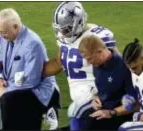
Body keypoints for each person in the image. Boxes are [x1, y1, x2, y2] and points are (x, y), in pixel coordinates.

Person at [42, 2, 120, 130]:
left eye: (65, 29)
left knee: (75, 112)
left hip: (98, 101)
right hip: (82, 102)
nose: (61, 32)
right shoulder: (65, 40)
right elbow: (58, 62)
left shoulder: (97, 38)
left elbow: (118, 67)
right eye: (59, 28)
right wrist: (32, 73)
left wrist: (103, 95)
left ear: (78, 23)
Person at [0, 8, 59, 130]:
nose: (1, 35)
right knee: (6, 98)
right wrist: (0, 78)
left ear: (15, 26)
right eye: (0, 32)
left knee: (7, 99)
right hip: (16, 85)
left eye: (4, 32)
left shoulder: (32, 44)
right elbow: (0, 61)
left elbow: (32, 80)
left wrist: (7, 89)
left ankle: (49, 107)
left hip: (38, 90)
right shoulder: (5, 38)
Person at [78, 35, 136, 130]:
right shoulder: (97, 64)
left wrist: (111, 112)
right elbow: (103, 90)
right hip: (103, 111)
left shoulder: (124, 66)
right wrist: (95, 98)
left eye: (89, 59)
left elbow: (135, 103)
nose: (89, 63)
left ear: (100, 51)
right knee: (81, 118)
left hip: (120, 115)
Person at [118, 39, 143, 131]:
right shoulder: (138, 68)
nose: (133, 72)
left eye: (134, 68)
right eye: (130, 69)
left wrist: (142, 117)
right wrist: (131, 102)